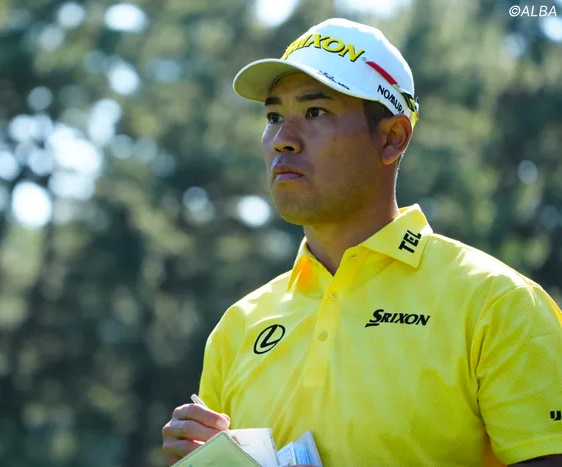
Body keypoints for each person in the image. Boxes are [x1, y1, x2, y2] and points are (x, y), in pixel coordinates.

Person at [161, 18, 562, 467]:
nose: (283, 140)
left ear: (392, 138)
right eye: (273, 117)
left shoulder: (498, 303)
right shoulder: (238, 326)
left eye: (316, 112)